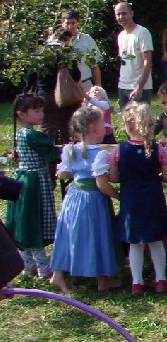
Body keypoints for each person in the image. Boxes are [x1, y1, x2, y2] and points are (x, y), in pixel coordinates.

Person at [48, 106, 123, 294]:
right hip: (93, 200)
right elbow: (102, 184)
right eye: (102, 123)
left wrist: (76, 169)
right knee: (98, 235)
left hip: (73, 198)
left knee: (67, 233)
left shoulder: (70, 150)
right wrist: (119, 197)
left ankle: (58, 274)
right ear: (94, 128)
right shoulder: (101, 153)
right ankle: (102, 280)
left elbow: (64, 173)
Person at [107, 102, 167, 296]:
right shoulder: (157, 149)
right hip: (153, 198)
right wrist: (156, 176)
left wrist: (127, 179)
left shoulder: (119, 150)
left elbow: (112, 176)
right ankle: (160, 278)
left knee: (135, 243)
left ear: (128, 126)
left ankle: (137, 282)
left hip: (131, 200)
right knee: (156, 240)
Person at [5, 94, 60, 279]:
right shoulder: (32, 135)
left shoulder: (20, 133)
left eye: (41, 110)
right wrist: (69, 150)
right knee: (35, 220)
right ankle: (43, 267)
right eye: (36, 111)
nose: (41, 114)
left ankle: (27, 265)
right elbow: (53, 154)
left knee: (25, 221)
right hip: (34, 182)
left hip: (22, 178)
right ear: (22, 114)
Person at [27, 27, 83, 145]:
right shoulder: (66, 53)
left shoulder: (40, 53)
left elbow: (31, 76)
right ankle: (67, 157)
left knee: (47, 127)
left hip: (44, 95)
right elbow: (76, 76)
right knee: (66, 129)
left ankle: (48, 159)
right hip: (65, 96)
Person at [114, 1, 154, 108]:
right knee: (126, 122)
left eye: (124, 13)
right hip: (123, 87)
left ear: (131, 14)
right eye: (118, 14)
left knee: (141, 123)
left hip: (141, 88)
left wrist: (139, 87)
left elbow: (147, 62)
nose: (121, 17)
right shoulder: (121, 36)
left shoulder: (142, 32)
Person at [59, 9, 101, 93]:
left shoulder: (86, 39)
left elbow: (94, 66)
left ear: (78, 23)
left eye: (73, 23)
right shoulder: (54, 40)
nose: (70, 27)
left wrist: (98, 88)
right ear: (62, 22)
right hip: (63, 86)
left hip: (84, 85)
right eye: (67, 23)